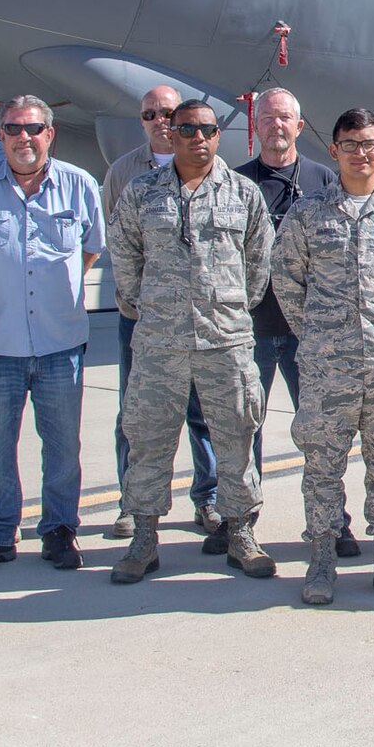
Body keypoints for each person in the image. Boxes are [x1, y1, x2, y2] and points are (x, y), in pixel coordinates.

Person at [107, 100, 275, 584]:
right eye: (186, 129)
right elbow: (124, 255)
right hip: (160, 342)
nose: (197, 138)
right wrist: (152, 307)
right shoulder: (141, 193)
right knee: (148, 439)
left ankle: (240, 530)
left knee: (237, 437)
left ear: (217, 135)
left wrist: (225, 307)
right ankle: (143, 538)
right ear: (170, 131)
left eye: (206, 129)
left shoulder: (243, 194)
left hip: (226, 341)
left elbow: (258, 265)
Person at [271, 109, 374, 605]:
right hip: (327, 369)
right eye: (349, 144)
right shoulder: (307, 213)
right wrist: (321, 336)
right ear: (334, 150)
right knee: (322, 466)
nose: (359, 153)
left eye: (369, 144)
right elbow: (285, 279)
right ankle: (321, 561)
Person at [0, 96, 106, 575]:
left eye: (34, 129)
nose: (25, 137)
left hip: (60, 344)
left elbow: (89, 252)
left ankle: (60, 530)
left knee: (63, 445)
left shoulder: (80, 186)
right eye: (14, 129)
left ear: (50, 133)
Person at [234, 87, 349, 553]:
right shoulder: (236, 185)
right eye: (267, 118)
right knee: (242, 431)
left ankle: (332, 522)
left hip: (312, 334)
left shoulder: (327, 182)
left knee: (322, 433)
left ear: (299, 127)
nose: (276, 126)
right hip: (251, 330)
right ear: (255, 125)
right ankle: (240, 522)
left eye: (285, 118)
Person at [101, 85, 218, 539]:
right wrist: (138, 304)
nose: (161, 122)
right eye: (151, 115)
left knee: (204, 412)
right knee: (135, 413)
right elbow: (120, 244)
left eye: (169, 114)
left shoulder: (220, 179)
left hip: (204, 321)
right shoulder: (125, 173)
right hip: (144, 322)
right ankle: (132, 503)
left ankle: (207, 499)